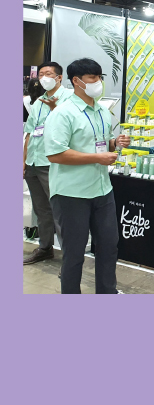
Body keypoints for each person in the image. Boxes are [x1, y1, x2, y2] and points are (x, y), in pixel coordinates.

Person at [44, 58, 130, 294]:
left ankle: (107, 294)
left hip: (102, 190)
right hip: (71, 194)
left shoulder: (102, 111)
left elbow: (100, 143)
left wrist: (115, 143)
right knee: (74, 254)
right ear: (76, 81)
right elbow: (55, 154)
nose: (98, 82)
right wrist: (97, 158)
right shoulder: (63, 113)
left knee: (108, 248)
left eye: (100, 77)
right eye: (92, 78)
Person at [23, 62, 73, 265]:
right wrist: (23, 161)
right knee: (41, 209)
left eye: (49, 74)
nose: (44, 78)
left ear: (59, 77)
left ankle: (70, 257)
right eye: (41, 74)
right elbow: (29, 133)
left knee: (60, 210)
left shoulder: (70, 98)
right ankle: (45, 248)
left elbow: (71, 126)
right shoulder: (38, 102)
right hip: (34, 161)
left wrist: (55, 108)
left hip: (53, 163)